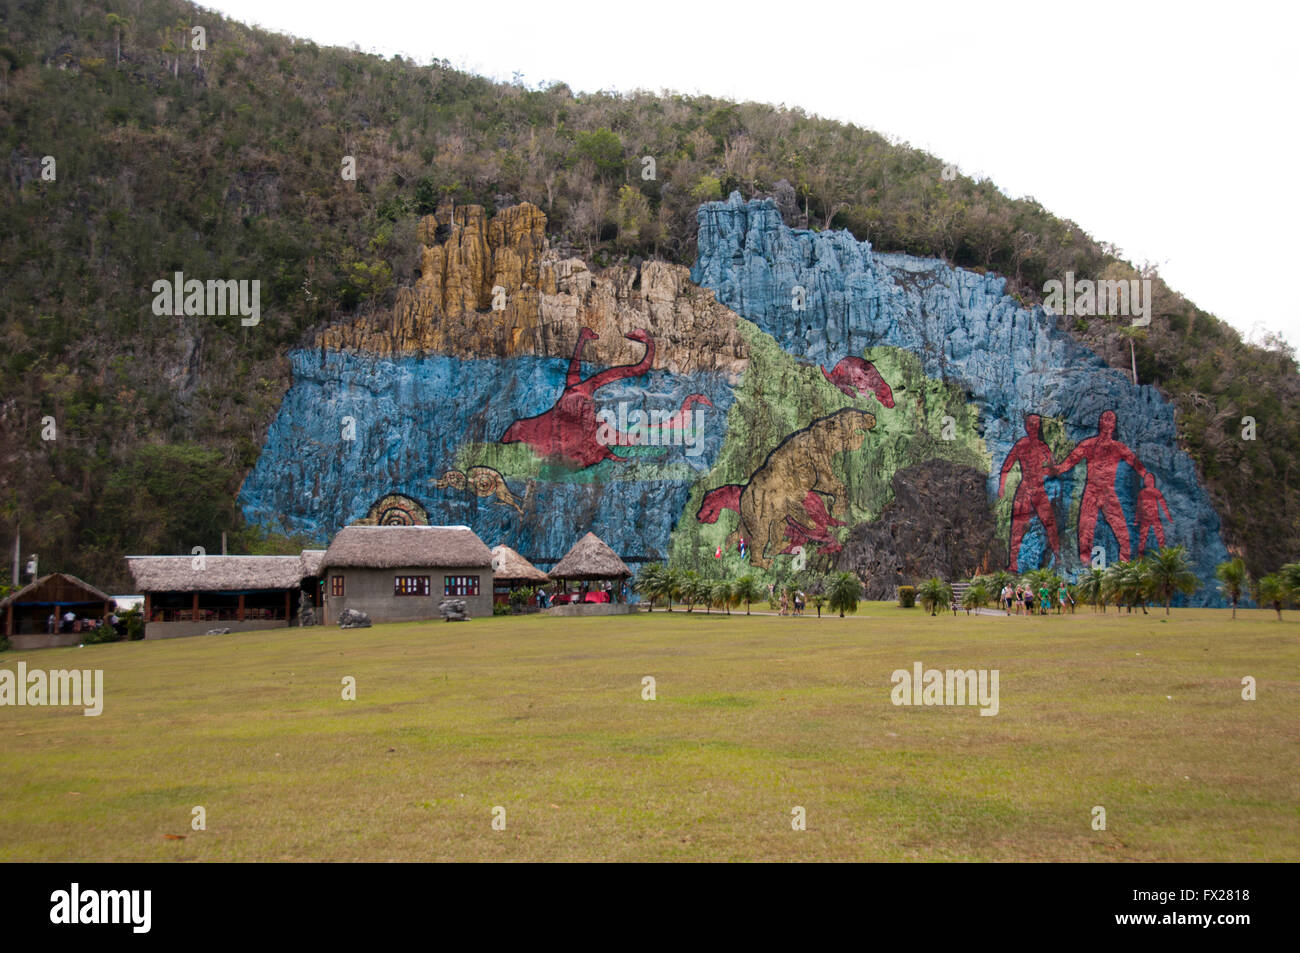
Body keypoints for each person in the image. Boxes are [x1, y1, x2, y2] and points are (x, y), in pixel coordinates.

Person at [999, 414, 1062, 572]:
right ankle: (1013, 563)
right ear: (1026, 426)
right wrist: (1002, 486)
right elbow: (1007, 465)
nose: (1033, 426)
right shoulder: (1022, 444)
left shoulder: (1043, 447)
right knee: (1017, 526)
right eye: (1030, 423)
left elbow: (1054, 470)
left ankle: (1057, 555)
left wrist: (1049, 468)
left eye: (1036, 424)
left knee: (1050, 523)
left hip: (1039, 489)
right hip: (1025, 488)